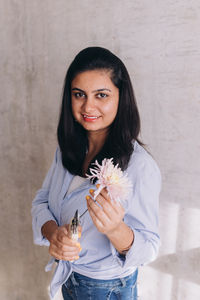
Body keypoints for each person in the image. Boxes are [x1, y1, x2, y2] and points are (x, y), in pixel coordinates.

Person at [31, 46, 162, 300]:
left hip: (107, 289)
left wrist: (115, 229)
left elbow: (149, 248)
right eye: (79, 94)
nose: (88, 106)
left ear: (120, 97)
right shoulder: (67, 151)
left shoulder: (140, 167)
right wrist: (53, 234)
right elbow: (41, 202)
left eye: (101, 95)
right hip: (69, 279)